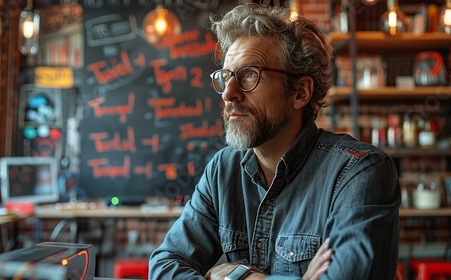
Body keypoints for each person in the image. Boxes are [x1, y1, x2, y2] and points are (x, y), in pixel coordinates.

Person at [149, 3, 400, 279]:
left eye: (249, 75)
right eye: (225, 78)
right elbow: (164, 266)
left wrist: (239, 277)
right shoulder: (223, 170)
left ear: (300, 92)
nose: (228, 94)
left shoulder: (360, 172)